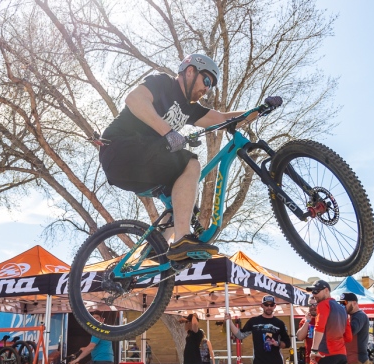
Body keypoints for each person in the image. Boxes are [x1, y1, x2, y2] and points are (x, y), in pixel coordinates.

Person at [99, 54, 261, 261]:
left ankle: (152, 254)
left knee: (183, 205)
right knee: (191, 164)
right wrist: (168, 132)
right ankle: (182, 239)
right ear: (190, 71)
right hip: (120, 150)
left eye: (211, 86)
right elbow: (134, 99)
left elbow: (223, 119)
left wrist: (260, 111)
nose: (207, 89)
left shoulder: (190, 109)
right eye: (207, 81)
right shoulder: (163, 83)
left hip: (139, 165)